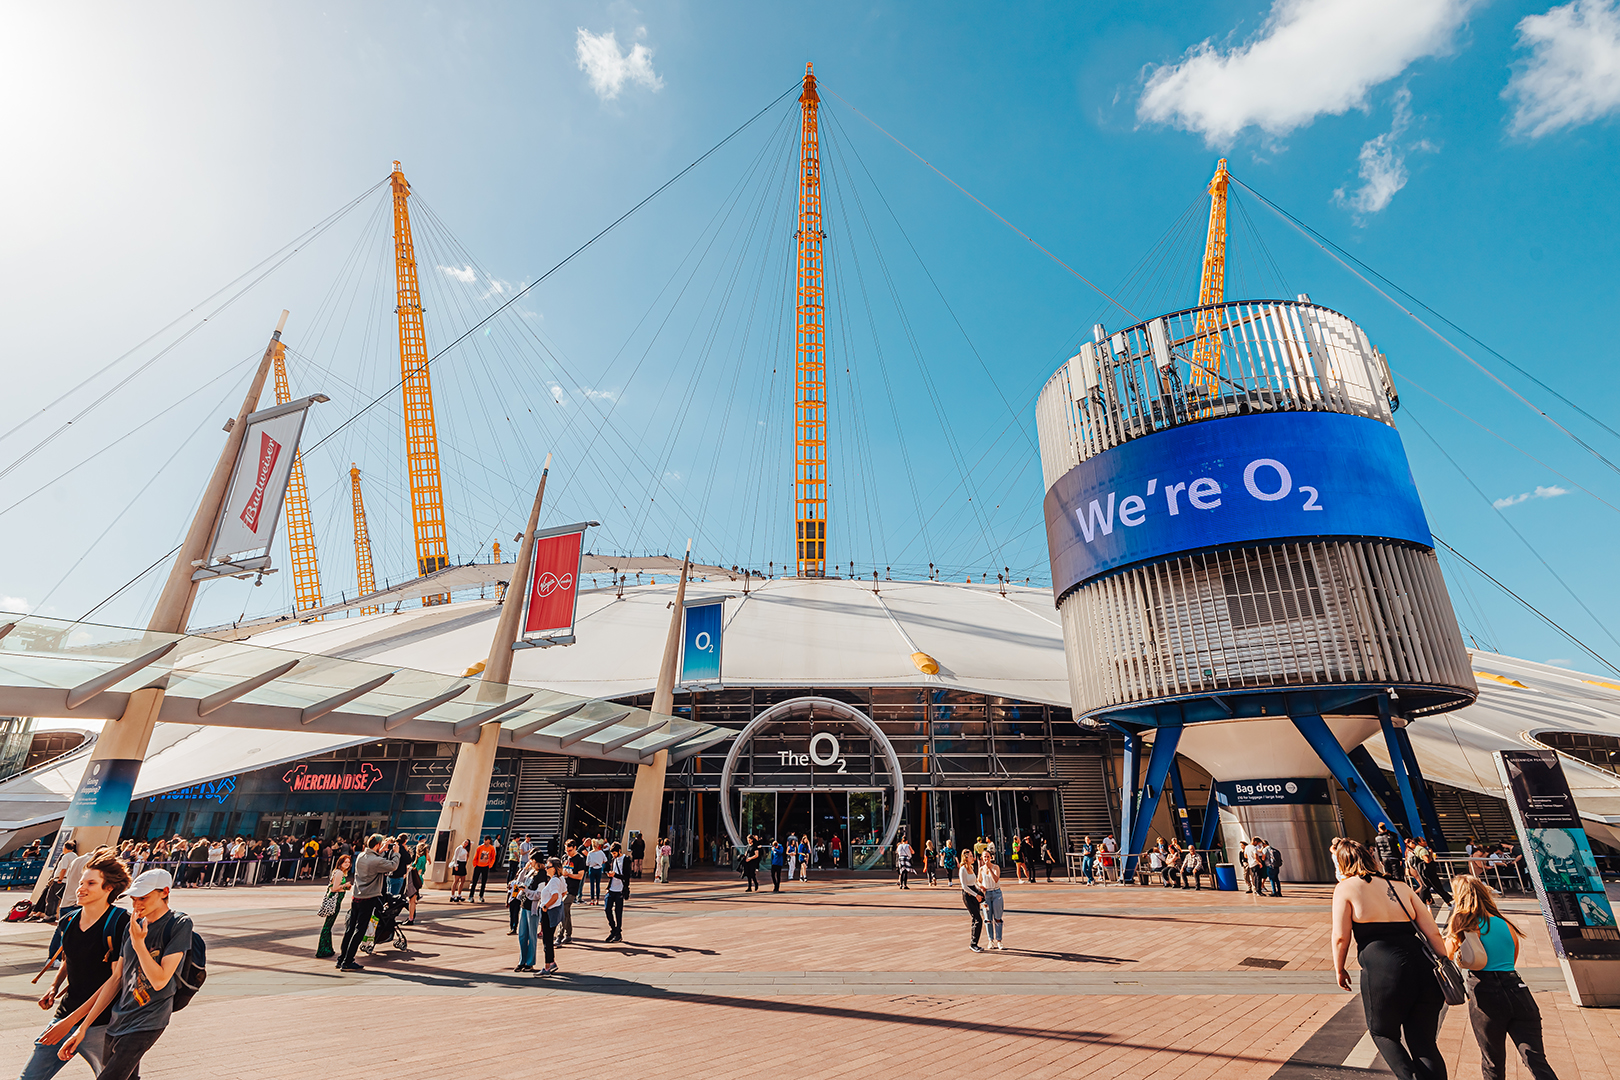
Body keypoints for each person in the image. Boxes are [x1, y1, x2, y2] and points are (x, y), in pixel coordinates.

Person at [52, 867, 192, 1080]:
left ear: (164, 892)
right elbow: (116, 978)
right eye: (134, 899)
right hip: (118, 1019)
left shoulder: (179, 924)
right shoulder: (132, 924)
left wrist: (138, 943)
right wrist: (82, 1028)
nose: (137, 905)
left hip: (149, 1019)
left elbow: (160, 980)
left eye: (143, 898)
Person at [1330, 838, 1449, 1080]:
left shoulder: (1346, 888)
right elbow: (1433, 931)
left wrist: (1339, 968)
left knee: (1383, 1033)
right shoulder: (1399, 886)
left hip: (1383, 968)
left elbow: (1341, 937)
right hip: (1423, 966)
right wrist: (1444, 962)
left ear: (1342, 864)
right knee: (1424, 1043)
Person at [23, 848, 131, 1080]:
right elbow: (70, 958)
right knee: (30, 1077)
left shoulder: (119, 922)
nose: (81, 888)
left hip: (104, 1024)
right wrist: (54, 987)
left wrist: (71, 1023)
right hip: (66, 1013)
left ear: (109, 888)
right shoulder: (69, 920)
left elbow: (115, 981)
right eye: (81, 882)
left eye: (91, 883)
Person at [1445, 874, 1559, 1080]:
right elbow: (1512, 959)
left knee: (1493, 1063)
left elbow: (1446, 954)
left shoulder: (1463, 921)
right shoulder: (1505, 923)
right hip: (1517, 990)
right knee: (1536, 1060)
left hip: (1486, 994)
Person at [337, 834, 399, 972]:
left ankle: (341, 958)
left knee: (350, 928)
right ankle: (348, 961)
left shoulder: (361, 856)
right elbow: (392, 866)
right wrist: (396, 853)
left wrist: (381, 850)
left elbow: (376, 861)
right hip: (368, 898)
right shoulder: (375, 860)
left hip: (356, 896)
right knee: (360, 929)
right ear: (377, 845)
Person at [315, 854, 351, 959]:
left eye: (348, 862)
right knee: (328, 925)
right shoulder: (339, 873)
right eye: (345, 862)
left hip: (336, 901)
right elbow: (334, 888)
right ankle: (323, 949)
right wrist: (345, 885)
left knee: (328, 925)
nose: (347, 864)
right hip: (335, 901)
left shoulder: (338, 872)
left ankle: (327, 948)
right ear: (340, 863)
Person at [513, 854, 543, 971]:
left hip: (533, 908)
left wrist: (526, 890)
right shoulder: (531, 871)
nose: (530, 862)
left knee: (531, 935)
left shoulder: (542, 875)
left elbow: (538, 894)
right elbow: (519, 881)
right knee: (522, 935)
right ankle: (522, 960)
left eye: (531, 860)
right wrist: (524, 869)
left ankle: (529, 962)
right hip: (524, 905)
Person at [536, 857, 566, 974]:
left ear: (554, 868)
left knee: (547, 940)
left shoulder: (554, 881)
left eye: (548, 867)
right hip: (553, 911)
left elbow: (555, 896)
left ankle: (547, 966)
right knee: (548, 938)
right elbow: (563, 892)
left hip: (548, 912)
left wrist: (546, 906)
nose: (546, 869)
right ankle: (551, 963)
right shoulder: (560, 879)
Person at [979, 842, 1005, 950]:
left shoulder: (995, 867)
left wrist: (989, 869)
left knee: (998, 918)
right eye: (984, 857)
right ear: (982, 858)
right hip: (987, 894)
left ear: (991, 857)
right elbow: (979, 881)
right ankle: (990, 940)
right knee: (987, 918)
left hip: (996, 893)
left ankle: (999, 940)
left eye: (988, 857)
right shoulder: (981, 869)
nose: (986, 859)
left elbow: (996, 879)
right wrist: (981, 886)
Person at [960, 848, 985, 953]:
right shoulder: (963, 869)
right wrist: (976, 895)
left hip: (974, 892)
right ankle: (973, 944)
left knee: (975, 919)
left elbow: (973, 882)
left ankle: (974, 942)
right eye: (970, 856)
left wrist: (979, 889)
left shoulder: (971, 867)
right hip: (968, 895)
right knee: (978, 919)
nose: (972, 857)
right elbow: (964, 886)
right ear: (966, 857)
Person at [561, 839, 585, 943]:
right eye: (566, 850)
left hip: (572, 889)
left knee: (564, 906)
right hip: (563, 888)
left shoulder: (580, 859)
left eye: (570, 850)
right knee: (564, 911)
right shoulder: (565, 857)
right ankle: (566, 934)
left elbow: (580, 876)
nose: (568, 853)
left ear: (575, 848)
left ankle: (564, 934)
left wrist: (569, 875)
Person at [604, 842, 628, 942]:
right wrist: (609, 874)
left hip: (620, 890)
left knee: (618, 912)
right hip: (611, 888)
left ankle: (618, 932)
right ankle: (613, 930)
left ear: (619, 851)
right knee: (607, 909)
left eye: (614, 853)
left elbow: (626, 877)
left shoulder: (625, 860)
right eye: (612, 854)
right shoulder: (613, 860)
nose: (613, 855)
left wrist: (615, 875)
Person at [470, 836, 497, 902]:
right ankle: (471, 896)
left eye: (486, 840)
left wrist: (490, 865)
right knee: (474, 881)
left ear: (489, 841)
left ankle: (481, 896)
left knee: (484, 882)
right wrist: (475, 864)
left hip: (486, 866)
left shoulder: (491, 848)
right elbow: (476, 856)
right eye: (484, 840)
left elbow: (493, 857)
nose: (484, 841)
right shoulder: (480, 847)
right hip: (478, 866)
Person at [405, 841, 427, 925]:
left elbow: (417, 869)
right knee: (413, 900)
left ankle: (411, 918)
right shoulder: (423, 857)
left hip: (415, 879)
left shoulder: (420, 858)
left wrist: (410, 867)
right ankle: (411, 916)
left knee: (412, 900)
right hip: (418, 878)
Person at [586, 839, 607, 904]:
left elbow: (587, 863)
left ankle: (592, 900)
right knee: (598, 885)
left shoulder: (590, 853)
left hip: (592, 869)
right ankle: (597, 900)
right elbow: (605, 860)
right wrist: (600, 862)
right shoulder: (601, 852)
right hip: (599, 869)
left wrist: (592, 863)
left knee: (592, 885)